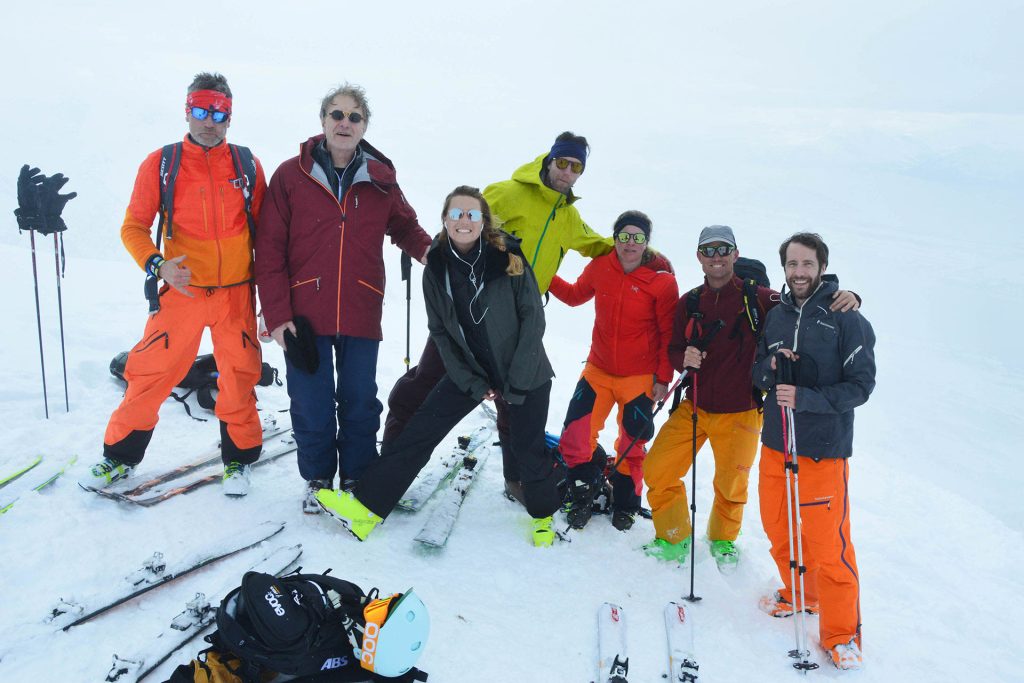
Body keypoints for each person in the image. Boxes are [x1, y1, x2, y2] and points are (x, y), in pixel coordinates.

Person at [316, 186, 562, 547]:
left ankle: (542, 516)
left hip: (526, 373)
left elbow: (532, 318)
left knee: (527, 449)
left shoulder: (507, 256)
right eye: (457, 214)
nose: (464, 221)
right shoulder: (437, 266)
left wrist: (517, 381)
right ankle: (366, 510)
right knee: (421, 431)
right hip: (471, 370)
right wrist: (475, 382)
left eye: (472, 214)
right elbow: (441, 333)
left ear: (483, 221)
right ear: (445, 219)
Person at [383, 132, 612, 503]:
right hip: (468, 311)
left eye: (576, 167)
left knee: (515, 401)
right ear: (549, 160)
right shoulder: (508, 193)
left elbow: (599, 246)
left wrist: (648, 255)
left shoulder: (569, 218)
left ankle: (517, 480)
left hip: (518, 323)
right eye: (562, 162)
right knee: (426, 381)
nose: (567, 171)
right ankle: (389, 464)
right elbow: (462, 227)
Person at [82, 72, 267, 496]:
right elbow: (133, 227)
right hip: (181, 294)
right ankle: (118, 458)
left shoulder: (246, 164)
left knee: (238, 377)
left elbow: (269, 233)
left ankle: (237, 462)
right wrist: (158, 265)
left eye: (219, 113)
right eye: (201, 111)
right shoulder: (162, 163)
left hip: (236, 293)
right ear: (187, 111)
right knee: (150, 373)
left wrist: (270, 298)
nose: (209, 121)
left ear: (229, 117)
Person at [255, 84, 432, 512]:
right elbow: (269, 249)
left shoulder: (380, 179)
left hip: (360, 307)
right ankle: (318, 479)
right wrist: (277, 315)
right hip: (302, 315)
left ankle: (356, 475)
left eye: (355, 117)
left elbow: (406, 228)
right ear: (322, 120)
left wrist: (438, 256)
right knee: (310, 402)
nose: (345, 123)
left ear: (364, 125)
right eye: (337, 114)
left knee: (359, 399)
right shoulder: (289, 176)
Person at [642, 226, 860, 571]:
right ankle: (673, 536)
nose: (716, 257)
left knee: (731, 486)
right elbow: (672, 348)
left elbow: (801, 302)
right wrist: (683, 358)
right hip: (694, 406)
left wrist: (844, 295)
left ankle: (722, 539)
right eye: (708, 250)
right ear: (699, 256)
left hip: (742, 410)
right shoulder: (691, 301)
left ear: (735, 254)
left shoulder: (759, 297)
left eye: (723, 249)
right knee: (657, 469)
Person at [753, 232, 875, 670]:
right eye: (792, 264)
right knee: (778, 526)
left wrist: (806, 398)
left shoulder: (847, 318)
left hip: (823, 450)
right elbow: (756, 369)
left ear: (821, 266)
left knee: (829, 545)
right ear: (783, 268)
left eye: (807, 264)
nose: (799, 272)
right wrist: (769, 367)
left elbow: (861, 387)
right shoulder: (777, 316)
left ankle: (842, 634)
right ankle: (800, 592)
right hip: (775, 442)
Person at [548, 210, 677, 532]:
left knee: (631, 446)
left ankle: (627, 505)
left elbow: (667, 335)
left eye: (637, 238)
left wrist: (663, 379)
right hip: (598, 370)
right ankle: (582, 496)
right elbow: (575, 295)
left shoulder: (662, 281)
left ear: (646, 241)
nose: (629, 243)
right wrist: (541, 274)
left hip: (639, 378)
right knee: (575, 439)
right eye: (623, 236)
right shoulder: (601, 266)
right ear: (615, 237)